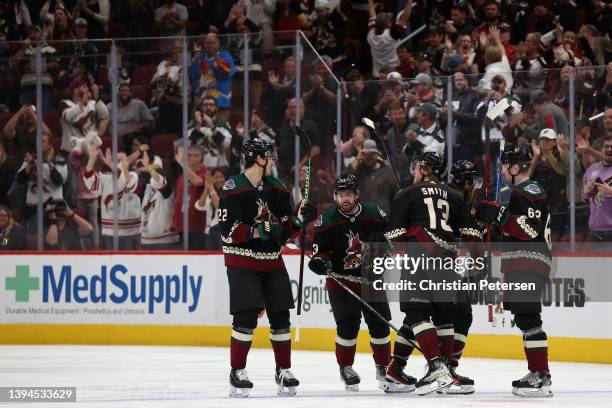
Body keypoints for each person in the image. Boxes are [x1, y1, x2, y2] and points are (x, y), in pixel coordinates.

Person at [218, 138, 317, 397]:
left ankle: (283, 369)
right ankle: (237, 371)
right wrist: (256, 230)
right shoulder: (233, 188)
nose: (272, 159)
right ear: (258, 158)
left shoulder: (278, 188)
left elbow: (284, 232)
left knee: (281, 317)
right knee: (246, 318)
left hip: (272, 261)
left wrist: (299, 219)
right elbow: (226, 230)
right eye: (268, 155)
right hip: (242, 261)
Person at [384, 152, 482, 395]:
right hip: (446, 261)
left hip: (419, 257)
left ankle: (437, 368)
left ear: (424, 168)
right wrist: (463, 256)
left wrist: (402, 253)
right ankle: (440, 370)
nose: (413, 173)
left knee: (416, 313)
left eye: (416, 168)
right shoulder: (453, 195)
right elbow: (473, 233)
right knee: (444, 315)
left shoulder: (407, 193)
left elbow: (394, 235)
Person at [309, 174, 417, 393]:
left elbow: (391, 237)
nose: (344, 199)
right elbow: (320, 251)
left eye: (348, 194)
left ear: (356, 195)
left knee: (380, 326)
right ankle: (346, 368)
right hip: (342, 281)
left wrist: (385, 246)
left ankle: (383, 368)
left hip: (372, 280)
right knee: (348, 327)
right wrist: (321, 262)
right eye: (340, 195)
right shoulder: (327, 220)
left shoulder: (375, 214)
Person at [476, 145, 553, 397]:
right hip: (521, 262)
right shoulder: (520, 192)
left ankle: (540, 375)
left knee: (529, 317)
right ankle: (538, 373)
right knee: (524, 318)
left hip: (529, 262)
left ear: (516, 167)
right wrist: (494, 222)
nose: (501, 169)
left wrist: (499, 217)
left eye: (504, 165)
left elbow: (529, 230)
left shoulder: (528, 190)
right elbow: (513, 229)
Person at [447, 160, 484, 394]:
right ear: (467, 181)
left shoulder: (448, 196)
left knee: (458, 315)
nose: (476, 186)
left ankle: (443, 368)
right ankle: (443, 369)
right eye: (474, 181)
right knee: (454, 315)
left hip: (437, 264)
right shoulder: (456, 200)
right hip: (443, 267)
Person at [83, 143, 142, 250]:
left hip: (131, 233)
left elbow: (130, 186)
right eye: (116, 161)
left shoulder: (133, 176)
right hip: (109, 232)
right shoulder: (106, 178)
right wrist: (91, 159)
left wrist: (111, 165)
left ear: (127, 162)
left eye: (122, 160)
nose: (118, 164)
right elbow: (89, 179)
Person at [346, 139, 397, 214]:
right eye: (366, 154)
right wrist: (357, 158)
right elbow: (343, 180)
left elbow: (397, 195)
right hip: (362, 217)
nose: (369, 157)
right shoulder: (358, 171)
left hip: (382, 217)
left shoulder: (388, 171)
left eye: (372, 153)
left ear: (377, 154)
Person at [582, 136, 612, 242]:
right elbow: (584, 197)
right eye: (606, 146)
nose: (609, 149)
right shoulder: (591, 169)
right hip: (595, 228)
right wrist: (585, 193)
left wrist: (610, 192)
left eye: (611, 147)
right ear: (601, 150)